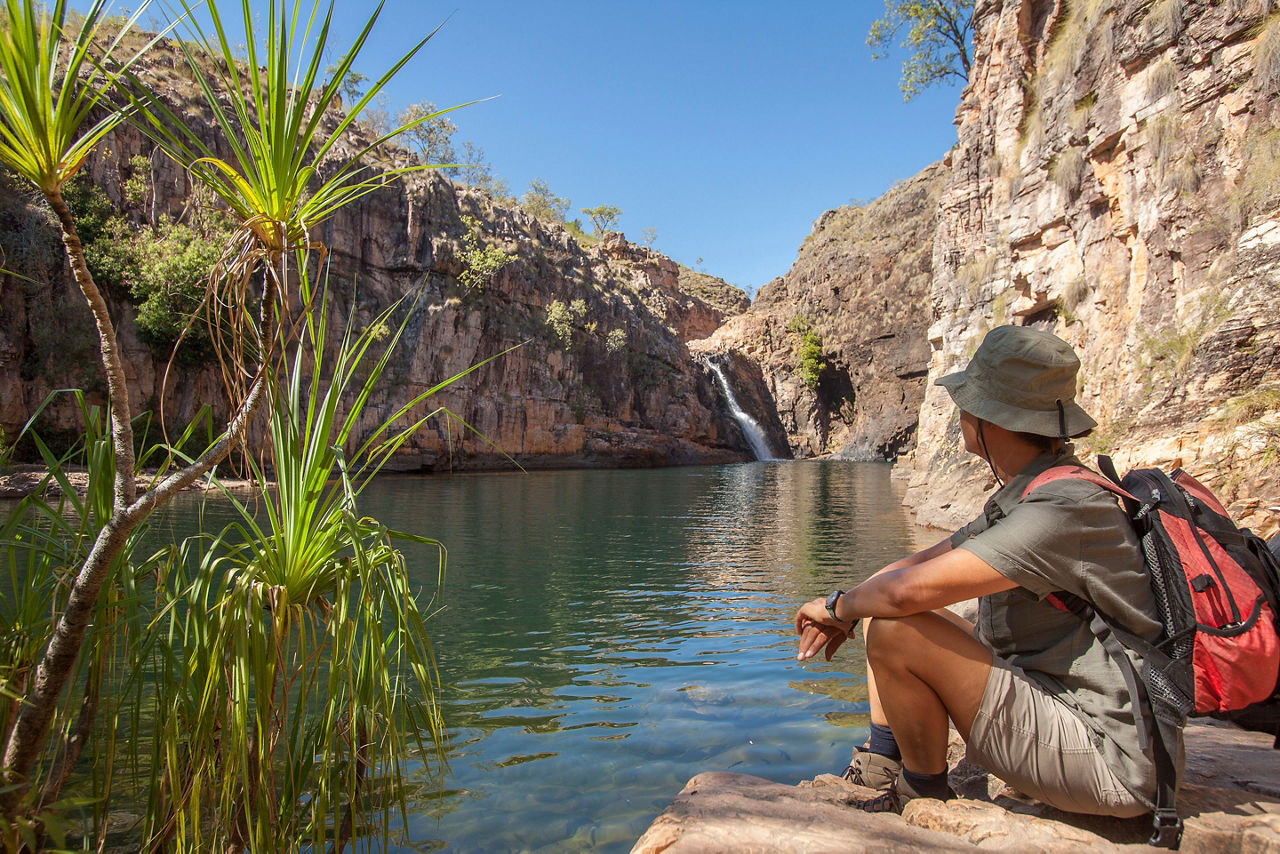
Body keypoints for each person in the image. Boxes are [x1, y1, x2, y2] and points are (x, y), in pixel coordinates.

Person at [794, 324, 1180, 817]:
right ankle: (883, 761)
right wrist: (851, 604)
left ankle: (921, 796)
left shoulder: (1063, 506)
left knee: (893, 626)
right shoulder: (1037, 489)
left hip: (1113, 760)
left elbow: (905, 597)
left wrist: (833, 606)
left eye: (966, 404)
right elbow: (915, 566)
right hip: (1062, 706)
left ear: (988, 419)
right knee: (877, 608)